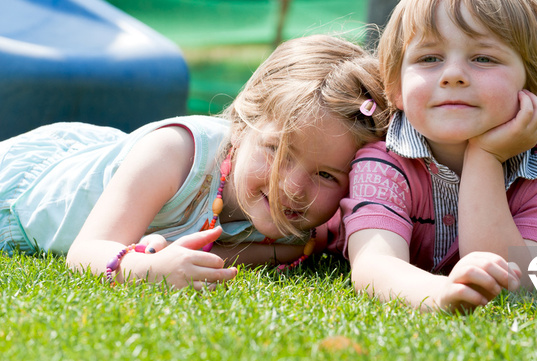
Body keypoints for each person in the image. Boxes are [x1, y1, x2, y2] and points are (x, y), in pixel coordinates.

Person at [320, 0, 537, 312]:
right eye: (429, 58)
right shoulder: (382, 162)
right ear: (395, 87)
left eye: (483, 58)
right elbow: (374, 266)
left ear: (534, 84)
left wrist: (486, 157)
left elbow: (517, 283)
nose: (452, 74)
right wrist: (437, 294)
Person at [0, 35, 389, 289]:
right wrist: (146, 270)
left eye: (324, 174)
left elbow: (222, 257)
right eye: (279, 151)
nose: (292, 187)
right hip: (20, 193)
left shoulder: (296, 235)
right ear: (242, 124)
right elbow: (85, 252)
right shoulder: (175, 153)